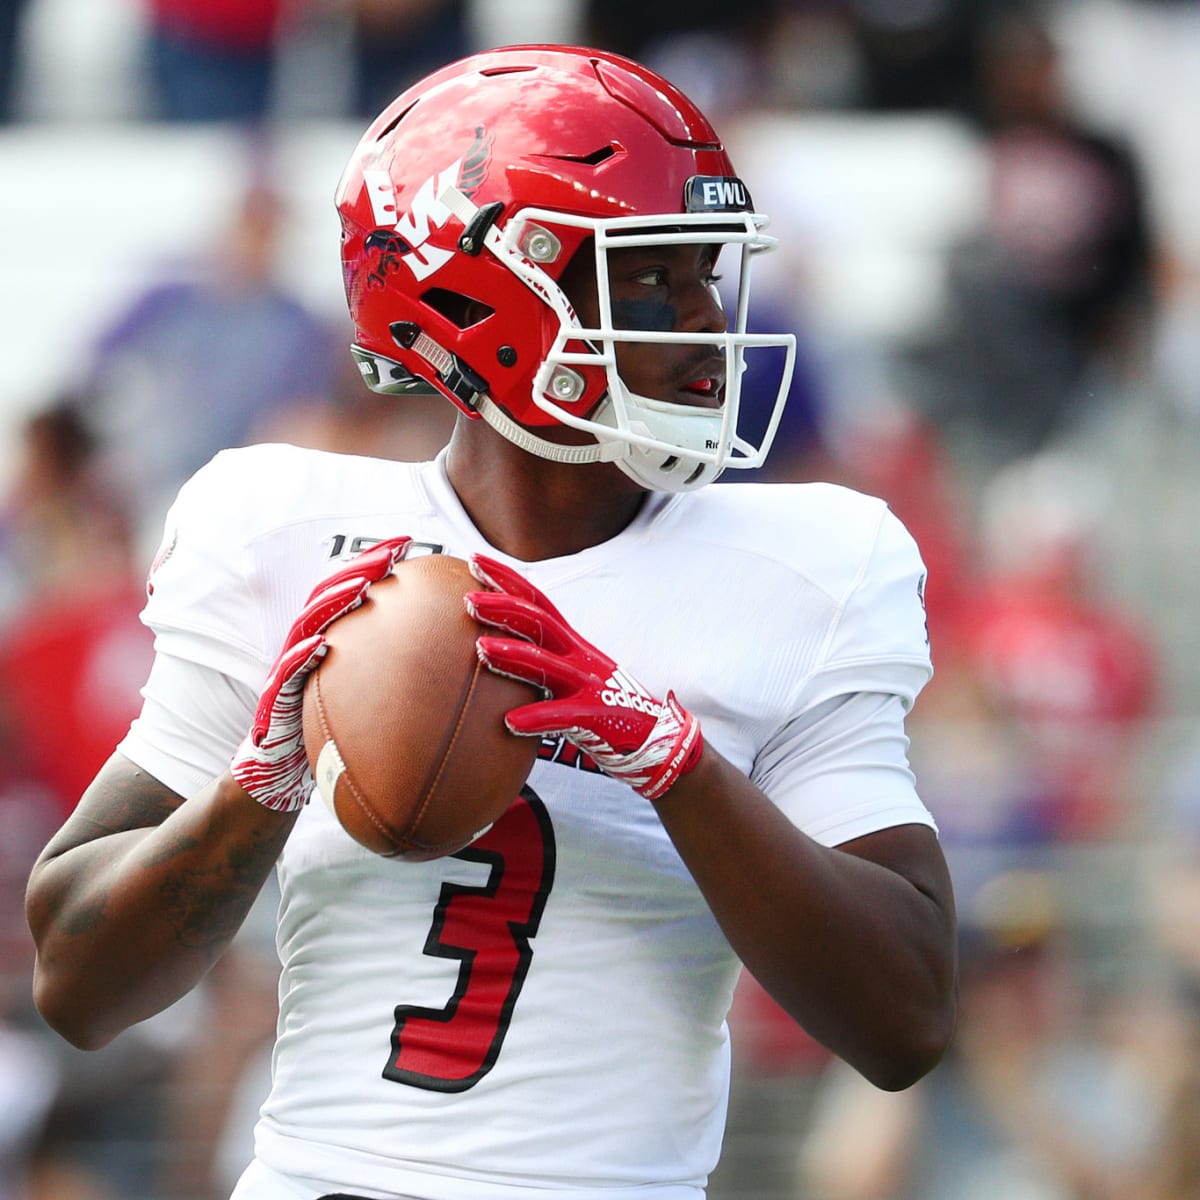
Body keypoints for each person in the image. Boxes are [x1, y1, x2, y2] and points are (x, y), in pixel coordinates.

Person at [25, 44, 958, 1200]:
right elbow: (74, 983)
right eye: (653, 279)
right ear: (492, 298)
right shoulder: (278, 531)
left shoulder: (809, 565)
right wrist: (252, 793)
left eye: (707, 276)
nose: (706, 324)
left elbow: (907, 1019)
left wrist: (679, 769)